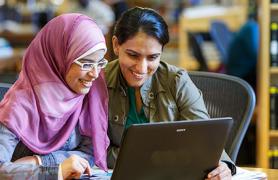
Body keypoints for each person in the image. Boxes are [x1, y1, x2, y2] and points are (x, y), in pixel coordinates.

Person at [105, 7, 236, 179]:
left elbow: (204, 136)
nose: (142, 68)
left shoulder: (177, 80)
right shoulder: (99, 81)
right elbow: (93, 150)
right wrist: (159, 158)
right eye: (133, 55)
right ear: (116, 45)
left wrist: (224, 165)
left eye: (152, 57)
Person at [0, 13, 109, 179]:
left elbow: (90, 152)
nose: (94, 74)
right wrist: (57, 171)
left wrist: (40, 161)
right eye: (86, 63)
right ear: (60, 57)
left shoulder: (87, 95)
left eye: (100, 62)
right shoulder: (18, 105)